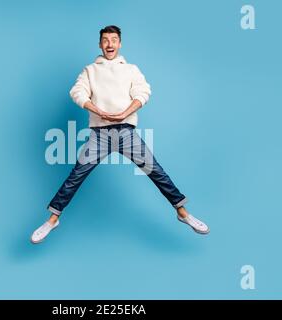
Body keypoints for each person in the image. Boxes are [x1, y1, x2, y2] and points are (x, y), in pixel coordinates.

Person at [31, 25, 209, 244]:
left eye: (113, 40)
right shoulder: (90, 70)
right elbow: (77, 92)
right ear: (100, 44)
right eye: (105, 40)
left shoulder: (131, 70)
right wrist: (98, 111)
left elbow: (143, 92)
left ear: (120, 43)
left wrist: (124, 113)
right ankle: (52, 220)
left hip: (126, 132)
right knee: (76, 176)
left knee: (156, 171)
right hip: (99, 135)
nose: (109, 44)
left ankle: (183, 214)